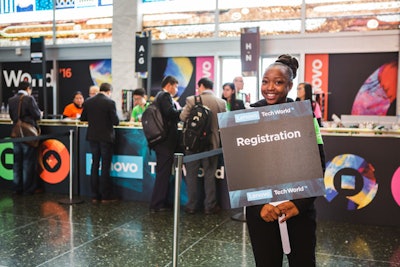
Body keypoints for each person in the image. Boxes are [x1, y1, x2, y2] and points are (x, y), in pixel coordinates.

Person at [247, 54, 326, 266]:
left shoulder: (305, 117)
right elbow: (243, 169)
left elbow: (318, 164)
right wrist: (259, 206)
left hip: (297, 211)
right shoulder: (247, 118)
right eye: (265, 81)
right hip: (262, 212)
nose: (270, 87)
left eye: (278, 82)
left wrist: (298, 204)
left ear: (290, 86)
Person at [180, 77, 226, 214]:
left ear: (201, 86)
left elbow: (182, 117)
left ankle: (191, 206)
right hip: (212, 145)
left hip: (193, 145)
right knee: (210, 175)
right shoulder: (221, 102)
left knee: (191, 175)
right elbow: (224, 123)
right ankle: (210, 206)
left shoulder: (191, 100)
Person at [80, 82, 120, 203]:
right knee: (105, 167)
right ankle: (105, 196)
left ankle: (94, 195)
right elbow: (116, 121)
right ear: (109, 92)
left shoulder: (88, 101)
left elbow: (83, 118)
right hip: (106, 138)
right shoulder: (110, 102)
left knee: (94, 165)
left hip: (92, 137)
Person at [149, 75, 181, 213]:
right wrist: (183, 111)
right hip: (165, 142)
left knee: (164, 173)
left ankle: (160, 201)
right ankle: (157, 203)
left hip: (162, 142)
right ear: (169, 85)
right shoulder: (165, 96)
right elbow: (170, 113)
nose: (176, 89)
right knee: (163, 173)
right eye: (176, 86)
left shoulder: (159, 96)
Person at [8, 81, 42, 195]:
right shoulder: (29, 99)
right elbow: (37, 115)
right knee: (27, 162)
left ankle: (16, 188)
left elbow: (12, 116)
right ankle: (28, 189)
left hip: (16, 134)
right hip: (27, 135)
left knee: (17, 162)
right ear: (28, 88)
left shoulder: (11, 100)